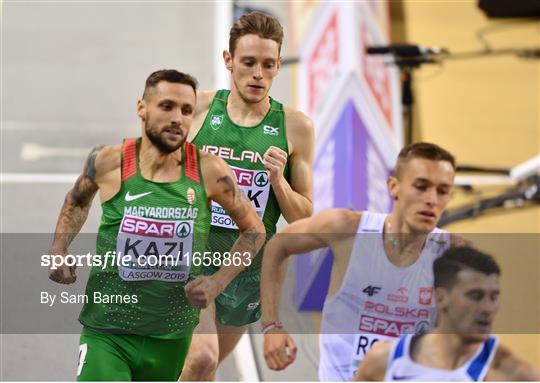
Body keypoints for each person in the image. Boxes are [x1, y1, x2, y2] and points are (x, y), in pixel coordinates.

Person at [48, 69, 265, 381]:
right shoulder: (108, 161)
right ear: (142, 108)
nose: (178, 118)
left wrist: (218, 282)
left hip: (171, 336)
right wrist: (59, 248)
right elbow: (78, 200)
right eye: (166, 106)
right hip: (108, 330)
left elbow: (254, 231)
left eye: (187, 110)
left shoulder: (209, 171)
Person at [180, 11, 314, 380]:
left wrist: (279, 182)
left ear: (277, 66)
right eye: (248, 62)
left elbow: (303, 218)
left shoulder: (295, 127)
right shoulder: (197, 110)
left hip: (244, 271)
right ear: (229, 60)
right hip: (188, 261)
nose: (258, 74)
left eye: (268, 65)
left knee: (197, 372)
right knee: (201, 360)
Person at [261, 142, 464, 380]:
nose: (432, 199)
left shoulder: (454, 254)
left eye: (442, 191)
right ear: (393, 186)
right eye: (421, 187)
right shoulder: (348, 229)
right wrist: (271, 325)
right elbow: (278, 245)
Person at [355, 246, 540, 381]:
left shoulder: (514, 375)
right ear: (441, 297)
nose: (487, 308)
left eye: (494, 297)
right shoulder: (383, 361)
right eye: (476, 296)